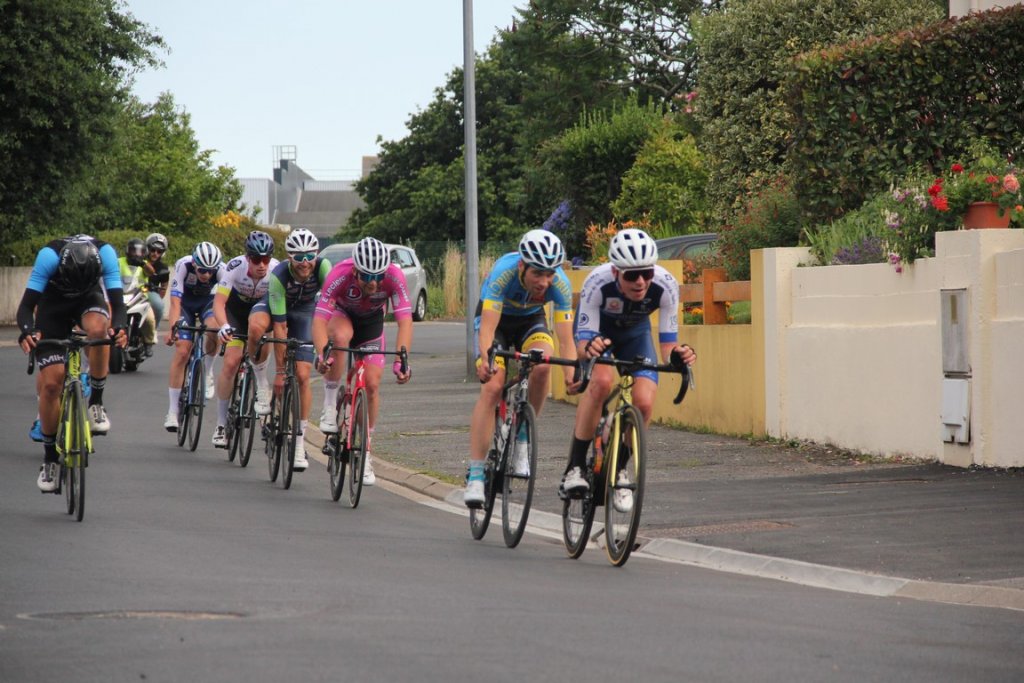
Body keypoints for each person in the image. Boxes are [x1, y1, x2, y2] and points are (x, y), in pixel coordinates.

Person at [564, 228, 696, 512]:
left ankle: (621, 470)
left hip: (636, 335)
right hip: (598, 335)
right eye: (632, 275)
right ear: (615, 272)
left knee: (644, 403)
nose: (640, 282)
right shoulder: (597, 282)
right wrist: (590, 350)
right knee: (601, 382)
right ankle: (575, 467)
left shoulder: (666, 285)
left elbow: (668, 345)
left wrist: (678, 356)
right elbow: (583, 345)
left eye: (646, 273)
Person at [463, 229, 579, 507]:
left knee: (543, 366)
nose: (544, 282)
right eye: (537, 273)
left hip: (531, 321)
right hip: (496, 322)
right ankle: (476, 475)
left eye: (549, 274)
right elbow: (488, 327)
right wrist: (486, 359)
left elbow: (566, 339)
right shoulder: (503, 272)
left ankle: (523, 436)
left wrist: (571, 375)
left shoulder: (560, 284)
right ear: (522, 266)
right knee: (492, 387)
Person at [16, 235, 127, 492]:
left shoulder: (106, 254)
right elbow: (25, 307)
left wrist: (120, 328)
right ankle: (50, 460)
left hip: (89, 299)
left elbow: (118, 304)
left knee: (99, 331)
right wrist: (27, 332)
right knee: (51, 384)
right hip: (53, 306)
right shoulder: (49, 257)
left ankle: (96, 402)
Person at [312, 236, 413, 486]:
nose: (374, 282)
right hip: (342, 315)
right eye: (367, 276)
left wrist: (402, 361)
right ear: (356, 270)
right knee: (341, 337)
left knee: (372, 384)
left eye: (378, 276)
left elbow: (405, 321)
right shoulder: (340, 274)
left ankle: (366, 452)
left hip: (371, 323)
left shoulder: (394, 277)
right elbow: (320, 320)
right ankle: (329, 404)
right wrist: (322, 353)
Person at [246, 229, 331, 471]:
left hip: (305, 313)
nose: (305, 263)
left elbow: (330, 311)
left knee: (303, 376)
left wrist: (324, 351)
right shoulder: (279, 275)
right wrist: (280, 372)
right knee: (256, 327)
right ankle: (261, 383)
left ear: (316, 255)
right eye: (299, 257)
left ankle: (300, 442)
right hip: (277, 309)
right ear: (289, 257)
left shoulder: (324, 268)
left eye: (309, 256)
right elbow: (280, 326)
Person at [210, 231, 279, 448]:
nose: (262, 265)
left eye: (266, 259)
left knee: (265, 338)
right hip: (236, 314)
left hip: (261, 314)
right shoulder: (234, 267)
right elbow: (219, 303)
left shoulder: (276, 270)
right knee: (231, 362)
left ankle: (261, 383)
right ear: (248, 257)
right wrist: (224, 325)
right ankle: (221, 425)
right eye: (257, 259)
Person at [163, 242, 225, 431]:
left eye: (210, 271)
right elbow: (175, 303)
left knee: (214, 329)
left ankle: (208, 371)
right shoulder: (183, 265)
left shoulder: (222, 271)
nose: (206, 275)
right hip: (185, 305)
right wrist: (173, 329)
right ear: (194, 264)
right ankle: (172, 411)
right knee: (182, 350)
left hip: (208, 304)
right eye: (202, 270)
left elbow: (224, 304)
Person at [142, 233, 171, 357]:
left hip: (149, 292)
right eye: (153, 250)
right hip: (133, 291)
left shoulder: (163, 268)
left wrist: (157, 298)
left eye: (159, 251)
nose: (155, 253)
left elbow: (164, 287)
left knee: (159, 305)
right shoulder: (137, 260)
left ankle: (153, 330)